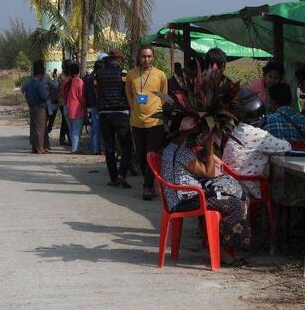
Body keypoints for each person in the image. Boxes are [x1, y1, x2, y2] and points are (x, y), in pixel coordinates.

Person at [161, 118, 251, 265]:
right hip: (185, 199)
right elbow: (208, 173)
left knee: (230, 195)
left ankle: (221, 246)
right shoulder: (181, 152)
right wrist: (209, 147)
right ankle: (223, 253)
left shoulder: (171, 148)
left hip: (181, 197)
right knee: (236, 203)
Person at [223, 87, 291, 198]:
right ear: (260, 119)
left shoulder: (236, 130)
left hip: (231, 183)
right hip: (249, 188)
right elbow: (287, 147)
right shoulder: (259, 136)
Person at [126, 45, 168, 200]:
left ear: (153, 57)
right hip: (137, 122)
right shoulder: (131, 75)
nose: (146, 59)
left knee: (152, 154)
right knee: (141, 155)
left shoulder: (160, 75)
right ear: (139, 57)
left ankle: (148, 186)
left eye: (149, 56)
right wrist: (135, 110)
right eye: (143, 56)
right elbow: (129, 95)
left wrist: (159, 113)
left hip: (156, 121)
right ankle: (148, 182)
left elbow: (164, 96)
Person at [94, 49, 132, 188]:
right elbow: (127, 92)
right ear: (120, 60)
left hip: (104, 113)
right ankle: (122, 174)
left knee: (109, 147)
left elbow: (97, 93)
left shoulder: (98, 74)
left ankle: (113, 178)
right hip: (121, 112)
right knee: (126, 146)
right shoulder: (123, 73)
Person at [260, 82, 305, 148]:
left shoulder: (265, 122)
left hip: (276, 157)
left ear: (272, 102)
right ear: (291, 101)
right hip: (300, 157)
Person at [23, 60, 49, 154]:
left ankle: (34, 147)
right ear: (40, 74)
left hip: (32, 106)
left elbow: (24, 92)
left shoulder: (28, 84)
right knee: (40, 128)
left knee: (33, 128)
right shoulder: (39, 84)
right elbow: (44, 96)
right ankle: (40, 147)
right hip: (40, 107)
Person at [60, 62, 85, 153]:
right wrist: (85, 105)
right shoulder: (79, 81)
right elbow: (81, 97)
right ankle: (74, 149)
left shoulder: (66, 80)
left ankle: (73, 147)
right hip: (76, 109)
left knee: (71, 129)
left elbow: (62, 94)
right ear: (78, 71)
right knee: (76, 130)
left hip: (66, 107)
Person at [84, 60, 104, 155]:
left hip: (92, 104)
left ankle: (95, 148)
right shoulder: (98, 78)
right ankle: (100, 148)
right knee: (100, 127)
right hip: (99, 104)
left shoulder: (88, 78)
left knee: (95, 126)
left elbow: (86, 93)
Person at [57, 62, 71, 146]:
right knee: (66, 121)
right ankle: (68, 139)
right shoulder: (63, 77)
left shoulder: (63, 76)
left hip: (65, 101)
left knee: (64, 121)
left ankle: (62, 138)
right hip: (64, 101)